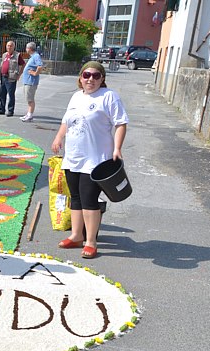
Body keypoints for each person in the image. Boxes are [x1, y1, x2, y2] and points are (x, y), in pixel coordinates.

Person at [51, 61, 128, 259]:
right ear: (80, 78)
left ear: (102, 78)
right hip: (74, 157)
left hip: (95, 160)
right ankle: (76, 236)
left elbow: (120, 124)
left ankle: (91, 241)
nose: (90, 79)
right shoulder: (76, 96)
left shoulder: (108, 96)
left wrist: (117, 148)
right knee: (75, 197)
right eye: (86, 75)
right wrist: (59, 138)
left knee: (89, 200)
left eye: (96, 75)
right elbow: (66, 121)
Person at [0, 40, 24, 117]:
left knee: (11, 95)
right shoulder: (4, 55)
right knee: (1, 94)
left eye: (11, 46)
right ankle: (2, 109)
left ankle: (10, 111)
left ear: (14, 47)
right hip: (3, 77)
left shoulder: (17, 55)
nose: (9, 47)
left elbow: (23, 64)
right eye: (8, 45)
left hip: (11, 78)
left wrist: (19, 75)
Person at [20, 42, 44, 122]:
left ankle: (30, 115)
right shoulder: (33, 56)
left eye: (27, 48)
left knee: (30, 99)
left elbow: (40, 66)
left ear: (30, 49)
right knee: (28, 98)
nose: (26, 49)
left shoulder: (36, 56)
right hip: (27, 81)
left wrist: (35, 73)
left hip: (31, 82)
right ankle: (28, 114)